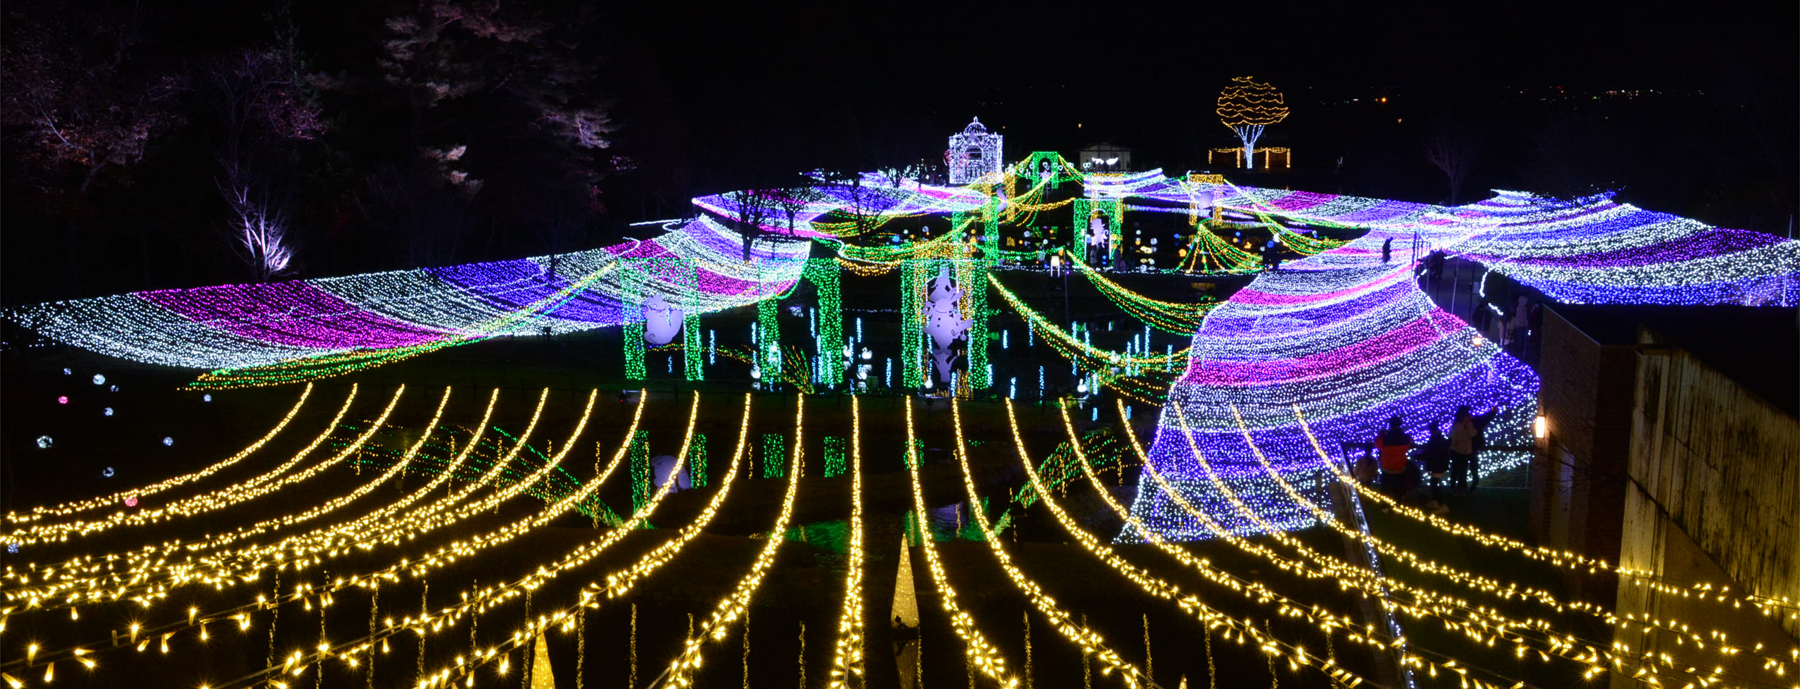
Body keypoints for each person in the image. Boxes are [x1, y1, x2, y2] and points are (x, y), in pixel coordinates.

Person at [1449, 405, 1497, 494]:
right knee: (1465, 470)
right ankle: (1464, 488)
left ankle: (1456, 487)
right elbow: (1473, 432)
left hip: (1459, 451)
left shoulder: (1456, 424)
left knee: (1458, 470)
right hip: (1467, 451)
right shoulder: (1469, 423)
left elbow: (1452, 437)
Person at [1375, 416, 1415, 502]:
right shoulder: (1406, 438)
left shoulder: (1385, 438)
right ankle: (1398, 504)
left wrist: (1380, 434)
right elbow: (1410, 443)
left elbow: (1377, 444)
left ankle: (1385, 506)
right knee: (1399, 488)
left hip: (1387, 466)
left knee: (1385, 487)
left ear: (1390, 425)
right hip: (1400, 466)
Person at [1414, 423, 1452, 510]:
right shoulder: (1440, 438)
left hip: (1437, 465)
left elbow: (1430, 452)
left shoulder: (1435, 439)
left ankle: (1442, 504)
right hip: (1441, 464)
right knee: (1434, 483)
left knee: (1434, 484)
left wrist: (1419, 457)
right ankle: (1435, 501)